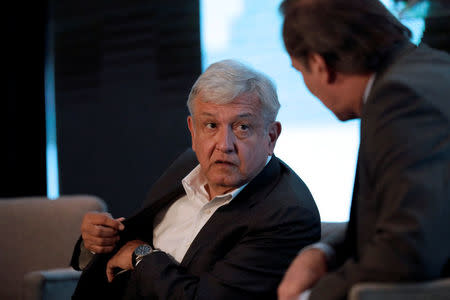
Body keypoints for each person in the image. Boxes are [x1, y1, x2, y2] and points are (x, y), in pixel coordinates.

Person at [70, 59, 321, 300]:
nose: (224, 145)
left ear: (271, 137)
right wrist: (95, 243)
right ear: (193, 131)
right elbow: (130, 240)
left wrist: (141, 255)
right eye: (211, 125)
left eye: (242, 127)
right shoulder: (188, 165)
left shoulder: (287, 214)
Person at [277, 0, 450, 300]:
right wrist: (326, 251)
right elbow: (410, 215)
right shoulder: (422, 68)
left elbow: (407, 251)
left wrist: (310, 298)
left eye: (298, 71)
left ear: (319, 65)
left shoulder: (399, 99)